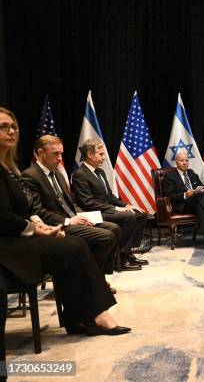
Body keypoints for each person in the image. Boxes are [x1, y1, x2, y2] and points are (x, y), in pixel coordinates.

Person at [0, 107, 129, 336]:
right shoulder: (29, 174)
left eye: (14, 127)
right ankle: (94, 313)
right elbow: (4, 216)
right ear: (40, 153)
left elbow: (27, 209)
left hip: (25, 233)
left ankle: (81, 316)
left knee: (90, 240)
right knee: (77, 245)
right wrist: (39, 230)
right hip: (9, 245)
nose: (11, 131)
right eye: (3, 127)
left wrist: (39, 225)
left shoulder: (11, 168)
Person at [21, 135, 121, 277]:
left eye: (61, 153)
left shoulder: (58, 175)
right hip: (57, 225)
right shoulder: (30, 176)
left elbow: (71, 203)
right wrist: (68, 221)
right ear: (41, 153)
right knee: (106, 236)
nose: (60, 158)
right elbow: (37, 211)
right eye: (55, 154)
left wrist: (81, 215)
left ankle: (96, 278)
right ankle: (92, 277)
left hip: (73, 219)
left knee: (114, 228)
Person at [72, 139, 147, 271]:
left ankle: (126, 253)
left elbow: (111, 197)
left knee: (140, 214)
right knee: (129, 217)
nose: (103, 157)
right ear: (90, 154)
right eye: (100, 154)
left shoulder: (99, 172)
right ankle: (120, 257)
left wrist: (127, 205)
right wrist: (117, 209)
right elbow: (87, 203)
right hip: (94, 213)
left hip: (106, 210)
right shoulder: (80, 175)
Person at [161, 150, 204, 251]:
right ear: (176, 162)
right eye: (181, 160)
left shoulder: (192, 173)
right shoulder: (170, 176)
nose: (185, 163)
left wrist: (203, 191)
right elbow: (169, 195)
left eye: (186, 160)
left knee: (200, 202)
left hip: (196, 204)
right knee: (200, 199)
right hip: (182, 205)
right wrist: (185, 194)